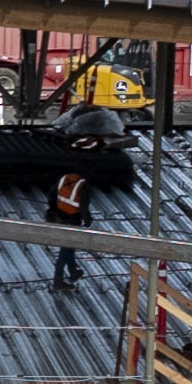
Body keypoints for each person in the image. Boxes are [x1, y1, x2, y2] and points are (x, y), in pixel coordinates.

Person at [43, 97, 131, 290]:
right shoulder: (83, 184)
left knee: (69, 247)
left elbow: (51, 195)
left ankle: (73, 272)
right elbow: (83, 206)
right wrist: (86, 218)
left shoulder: (65, 178)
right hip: (71, 219)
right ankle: (58, 281)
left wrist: (51, 210)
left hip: (59, 217)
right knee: (66, 249)